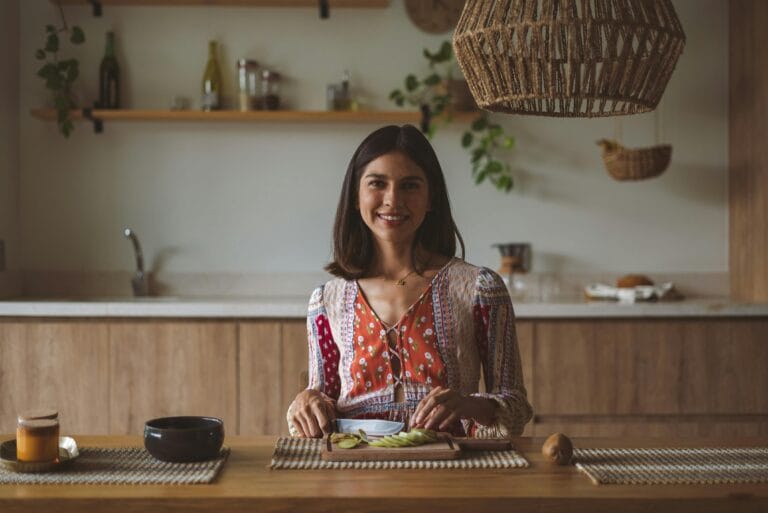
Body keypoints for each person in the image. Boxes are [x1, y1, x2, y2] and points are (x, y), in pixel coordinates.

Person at [287, 124, 532, 438]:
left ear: (431, 198)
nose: (393, 199)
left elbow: (516, 408)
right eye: (377, 183)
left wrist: (468, 405)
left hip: (449, 475)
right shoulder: (326, 301)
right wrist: (304, 401)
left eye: (410, 186)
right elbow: (320, 407)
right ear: (355, 195)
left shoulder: (479, 289)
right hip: (355, 475)